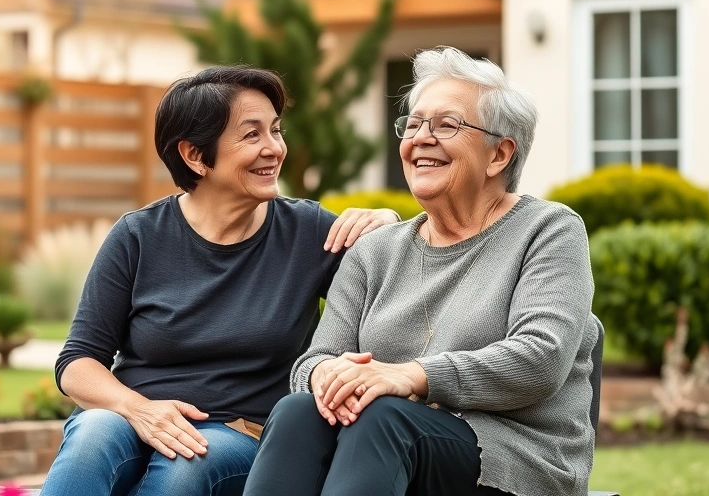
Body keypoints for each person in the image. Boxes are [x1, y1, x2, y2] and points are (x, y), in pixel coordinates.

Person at [242, 47, 598, 496]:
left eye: (446, 125)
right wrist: (330, 378)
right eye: (413, 125)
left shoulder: (548, 231)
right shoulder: (375, 250)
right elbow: (313, 361)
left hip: (511, 457)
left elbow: (541, 358)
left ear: (499, 155)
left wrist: (409, 375)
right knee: (300, 411)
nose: (421, 139)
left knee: (383, 416)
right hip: (387, 439)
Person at [38, 66, 399, 496]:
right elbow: (77, 362)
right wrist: (140, 410)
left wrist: (389, 224)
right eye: (252, 135)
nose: (274, 149)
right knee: (91, 439)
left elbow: (401, 275)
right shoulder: (138, 235)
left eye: (276, 131)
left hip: (238, 433)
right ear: (195, 155)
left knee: (185, 468)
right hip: (132, 414)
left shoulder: (310, 232)